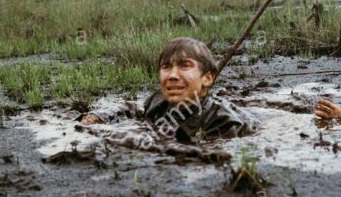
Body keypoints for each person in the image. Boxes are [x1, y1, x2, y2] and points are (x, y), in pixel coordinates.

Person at [78, 37, 257, 142]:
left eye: (185, 66)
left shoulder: (223, 122)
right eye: (166, 67)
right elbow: (134, 109)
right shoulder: (159, 101)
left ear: (207, 78)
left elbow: (211, 157)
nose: (172, 75)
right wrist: (98, 117)